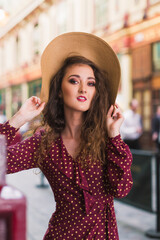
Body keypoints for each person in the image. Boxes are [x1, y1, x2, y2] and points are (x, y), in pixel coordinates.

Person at [0, 32, 133, 240]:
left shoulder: (107, 140)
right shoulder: (43, 143)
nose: (83, 89)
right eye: (74, 81)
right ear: (60, 90)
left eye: (91, 83)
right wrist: (19, 117)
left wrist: (115, 134)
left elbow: (122, 188)